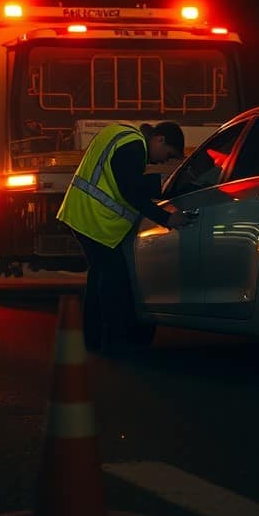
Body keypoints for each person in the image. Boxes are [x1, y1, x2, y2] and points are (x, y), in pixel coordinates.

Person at [56, 121, 195, 353]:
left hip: (83, 214)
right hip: (93, 218)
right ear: (159, 139)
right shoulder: (134, 145)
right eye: (168, 154)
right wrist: (167, 218)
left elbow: (125, 182)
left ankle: (95, 339)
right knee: (114, 280)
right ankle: (113, 341)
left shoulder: (123, 134)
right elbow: (131, 191)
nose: (163, 161)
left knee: (100, 277)